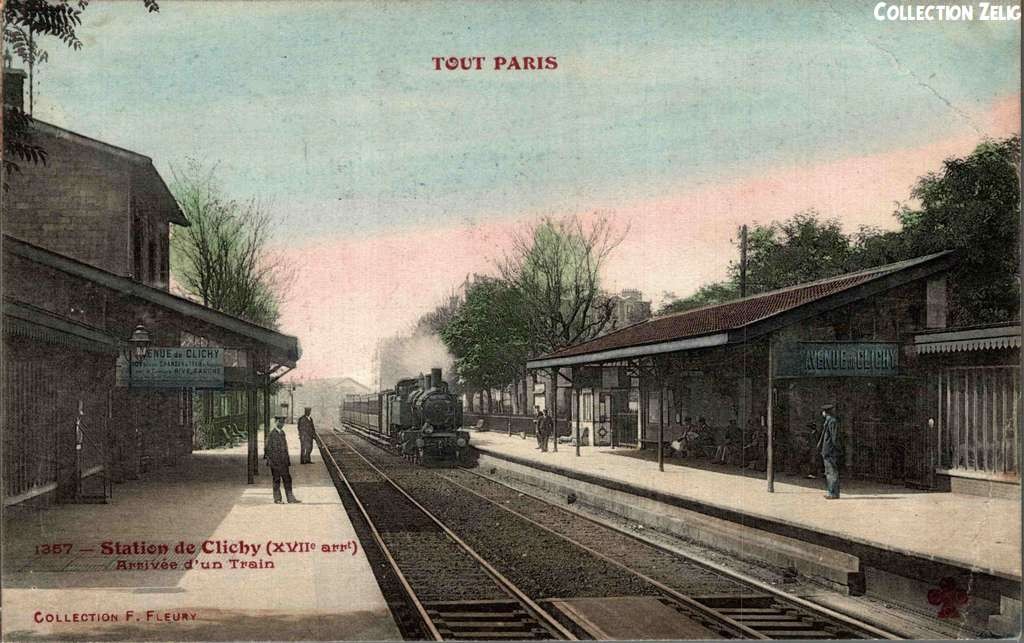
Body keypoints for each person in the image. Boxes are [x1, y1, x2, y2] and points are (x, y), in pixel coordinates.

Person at [264, 416, 301, 504]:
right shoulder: (272, 434)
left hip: (283, 462)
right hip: (275, 462)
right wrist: (272, 461)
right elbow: (267, 449)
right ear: (275, 422)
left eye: (283, 422)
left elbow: (285, 448)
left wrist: (287, 461)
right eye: (280, 422)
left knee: (287, 479)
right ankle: (277, 499)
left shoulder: (282, 433)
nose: (281, 424)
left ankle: (290, 498)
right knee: (276, 480)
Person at [817, 404, 842, 499]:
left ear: (825, 412)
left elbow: (834, 437)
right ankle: (832, 492)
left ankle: (833, 493)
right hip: (827, 449)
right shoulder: (829, 421)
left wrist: (837, 449)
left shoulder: (832, 422)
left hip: (830, 450)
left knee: (831, 472)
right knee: (829, 471)